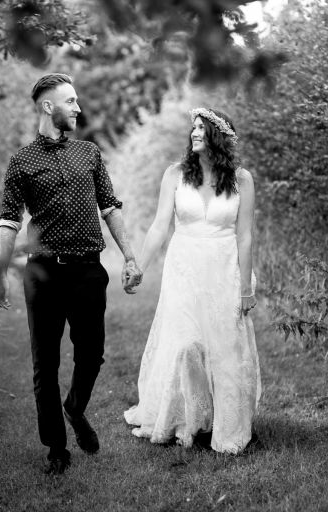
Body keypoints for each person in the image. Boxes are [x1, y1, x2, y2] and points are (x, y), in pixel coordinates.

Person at [0, 73, 143, 475]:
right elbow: (9, 219)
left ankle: (75, 408)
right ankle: (56, 448)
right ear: (48, 107)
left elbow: (110, 206)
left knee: (92, 354)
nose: (78, 108)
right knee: (45, 364)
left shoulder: (89, 153)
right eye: (71, 101)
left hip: (88, 272)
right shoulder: (21, 161)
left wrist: (129, 257)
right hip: (43, 274)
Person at [123, 108, 261, 454]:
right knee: (186, 345)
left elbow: (244, 236)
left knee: (225, 351)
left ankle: (227, 428)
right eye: (193, 128)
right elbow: (159, 226)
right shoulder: (175, 174)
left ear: (217, 135)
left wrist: (245, 288)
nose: (194, 133)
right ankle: (184, 418)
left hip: (224, 270)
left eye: (201, 128)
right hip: (183, 269)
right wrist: (138, 265)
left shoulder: (242, 179)